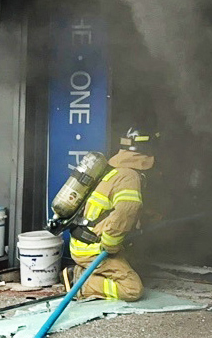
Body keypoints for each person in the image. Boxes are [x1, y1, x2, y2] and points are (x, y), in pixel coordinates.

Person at [62, 128, 157, 301]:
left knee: (133, 259)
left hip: (83, 240)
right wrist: (110, 246)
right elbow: (125, 212)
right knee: (132, 289)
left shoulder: (113, 170)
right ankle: (80, 281)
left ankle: (87, 272)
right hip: (93, 247)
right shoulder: (129, 177)